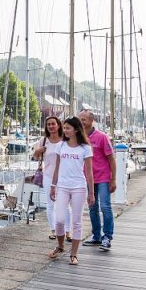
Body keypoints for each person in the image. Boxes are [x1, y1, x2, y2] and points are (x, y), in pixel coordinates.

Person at [48, 117, 95, 265]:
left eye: (68, 128)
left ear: (75, 129)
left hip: (79, 187)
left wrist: (91, 192)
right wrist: (53, 186)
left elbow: (89, 173)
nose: (65, 130)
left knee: (77, 222)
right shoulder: (61, 146)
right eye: (64, 128)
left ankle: (74, 254)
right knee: (60, 219)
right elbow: (57, 168)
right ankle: (60, 246)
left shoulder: (85, 148)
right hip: (62, 186)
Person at [78, 109, 116, 251]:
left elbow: (112, 159)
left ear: (91, 121)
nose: (81, 121)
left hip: (103, 178)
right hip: (89, 179)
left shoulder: (102, 137)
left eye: (84, 119)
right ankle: (96, 236)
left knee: (105, 207)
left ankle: (107, 237)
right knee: (92, 208)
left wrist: (113, 179)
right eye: (79, 118)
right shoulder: (80, 138)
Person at [32, 116, 67, 240]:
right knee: (50, 204)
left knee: (64, 205)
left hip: (64, 176)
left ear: (58, 125)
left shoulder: (65, 140)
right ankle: (53, 230)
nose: (51, 126)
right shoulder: (43, 140)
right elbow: (35, 158)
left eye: (53, 124)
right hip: (48, 176)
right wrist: (38, 151)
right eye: (48, 125)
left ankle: (67, 231)